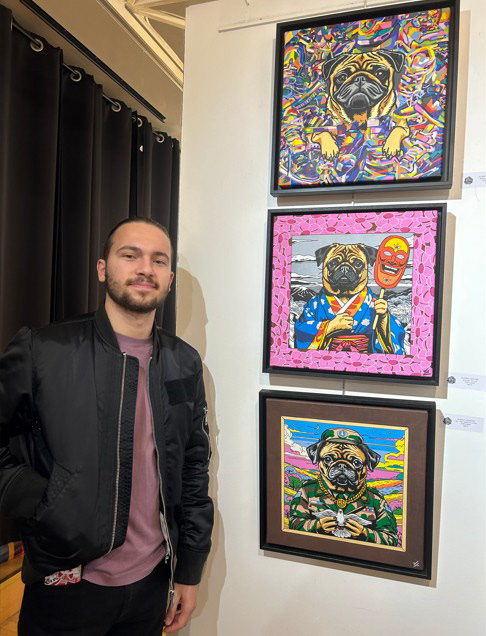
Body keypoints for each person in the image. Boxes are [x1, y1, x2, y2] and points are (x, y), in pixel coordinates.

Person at [0, 218, 213, 635]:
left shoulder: (183, 362)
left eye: (159, 260)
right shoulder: (45, 349)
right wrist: (47, 503)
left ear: (169, 279)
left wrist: (190, 569)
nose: (145, 268)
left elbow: (193, 468)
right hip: (67, 583)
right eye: (130, 255)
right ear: (102, 268)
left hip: (152, 583)